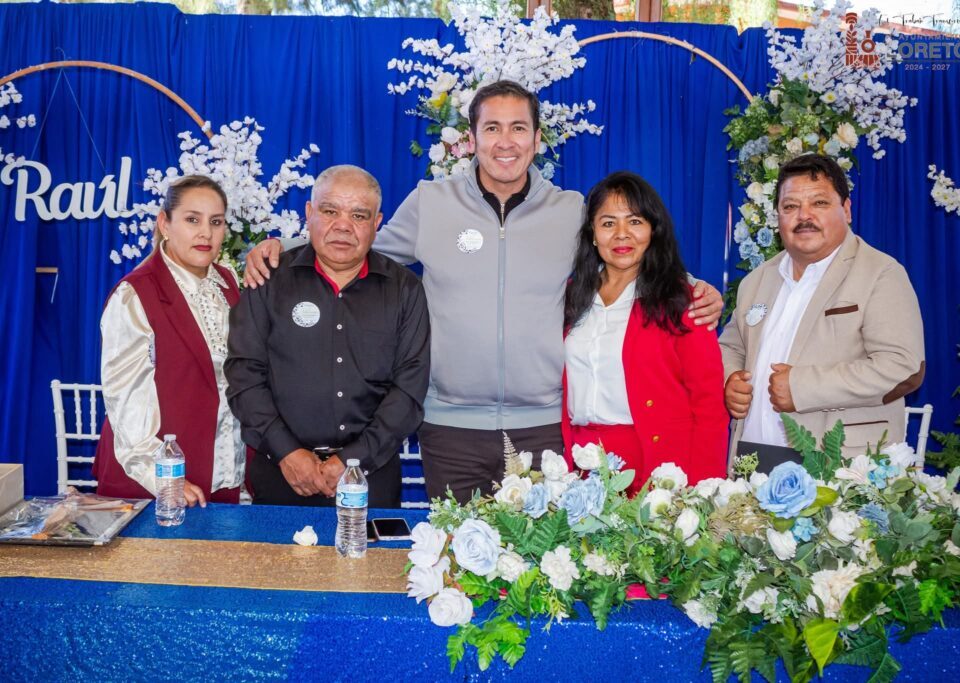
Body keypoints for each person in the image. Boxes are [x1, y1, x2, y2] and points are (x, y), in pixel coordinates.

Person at [243, 81, 723, 503]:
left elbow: (624, 252)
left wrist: (690, 287)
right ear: (471, 139)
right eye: (492, 128)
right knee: (456, 563)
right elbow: (358, 241)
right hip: (451, 430)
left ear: (537, 139)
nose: (505, 141)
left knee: (541, 564)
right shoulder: (432, 202)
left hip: (545, 432)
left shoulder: (571, 210)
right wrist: (281, 247)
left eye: (518, 128)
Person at [224, 165, 430, 507]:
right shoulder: (268, 280)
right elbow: (244, 375)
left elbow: (409, 390)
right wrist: (287, 452)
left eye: (359, 215)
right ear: (309, 213)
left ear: (377, 222)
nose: (343, 226)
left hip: (372, 477)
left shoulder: (405, 290)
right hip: (281, 473)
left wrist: (353, 459)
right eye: (330, 211)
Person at [719, 154, 925, 468]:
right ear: (778, 216)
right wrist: (730, 379)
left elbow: (904, 368)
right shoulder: (757, 280)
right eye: (790, 206)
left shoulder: (880, 274)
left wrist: (801, 387)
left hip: (841, 466)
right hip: (754, 460)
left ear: (846, 209)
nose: (804, 216)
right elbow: (731, 346)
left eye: (819, 203)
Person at [563, 172, 728, 494]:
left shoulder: (684, 300)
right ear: (593, 234)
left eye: (635, 221)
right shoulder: (570, 296)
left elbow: (708, 403)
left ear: (653, 230)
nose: (621, 234)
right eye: (608, 223)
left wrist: (703, 489)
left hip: (654, 465)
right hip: (580, 465)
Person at [94, 175, 245, 505]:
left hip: (222, 479)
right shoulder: (135, 294)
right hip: (157, 485)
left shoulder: (228, 283)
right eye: (192, 220)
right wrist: (164, 477)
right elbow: (125, 403)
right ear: (165, 223)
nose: (205, 233)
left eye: (216, 222)